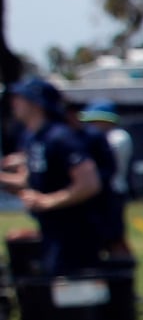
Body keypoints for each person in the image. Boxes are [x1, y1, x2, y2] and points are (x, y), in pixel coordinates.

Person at [0, 77, 127, 275]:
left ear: (36, 103)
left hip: (74, 231)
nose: (14, 102)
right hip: (53, 229)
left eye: (20, 98)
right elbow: (32, 179)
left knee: (74, 290)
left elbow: (89, 183)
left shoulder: (61, 137)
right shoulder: (34, 138)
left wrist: (46, 201)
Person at [78, 102, 133, 196]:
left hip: (113, 189)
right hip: (98, 191)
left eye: (93, 122)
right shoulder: (95, 139)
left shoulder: (119, 136)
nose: (89, 126)